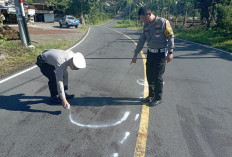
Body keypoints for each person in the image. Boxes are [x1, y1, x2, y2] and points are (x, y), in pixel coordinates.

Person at [131, 6, 174, 106]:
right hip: (150, 53)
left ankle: (158, 98)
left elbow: (171, 37)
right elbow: (142, 40)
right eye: (141, 19)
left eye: (144, 18)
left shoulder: (163, 22)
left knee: (157, 76)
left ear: (149, 14)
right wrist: (135, 54)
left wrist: (170, 52)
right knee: (149, 75)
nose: (143, 20)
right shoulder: (146, 25)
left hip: (160, 54)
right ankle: (151, 95)